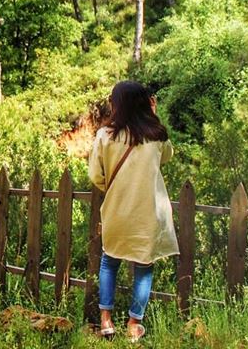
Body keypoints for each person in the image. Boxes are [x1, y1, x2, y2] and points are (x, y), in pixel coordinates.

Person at [88, 80, 179, 342]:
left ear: (117, 104)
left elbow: (96, 175)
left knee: (109, 261)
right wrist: (154, 117)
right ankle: (133, 324)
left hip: (117, 210)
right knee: (144, 265)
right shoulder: (156, 135)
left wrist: (115, 190)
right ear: (143, 103)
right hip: (147, 213)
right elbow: (167, 157)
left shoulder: (105, 136)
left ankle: (106, 321)